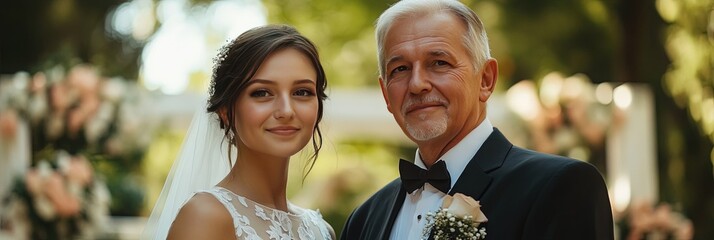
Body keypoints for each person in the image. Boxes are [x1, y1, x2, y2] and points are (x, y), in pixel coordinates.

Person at [341, 0, 614, 239]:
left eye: (439, 63)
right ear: (386, 94)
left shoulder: (560, 188)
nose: (417, 84)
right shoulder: (364, 220)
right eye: (400, 69)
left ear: (486, 79)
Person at [144, 25, 335, 240]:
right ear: (226, 111)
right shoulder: (205, 217)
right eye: (262, 93)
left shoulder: (321, 230)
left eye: (302, 92)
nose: (286, 110)